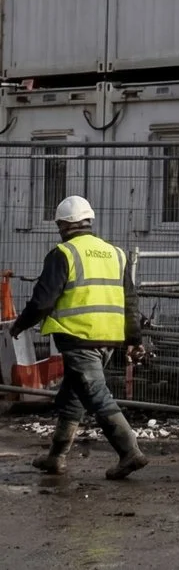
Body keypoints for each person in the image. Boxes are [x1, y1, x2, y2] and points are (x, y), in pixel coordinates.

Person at [9, 197, 148, 478]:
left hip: (78, 337)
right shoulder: (115, 253)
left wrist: (19, 325)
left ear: (62, 224)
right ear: (89, 221)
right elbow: (130, 301)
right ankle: (55, 457)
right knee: (74, 396)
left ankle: (129, 451)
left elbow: (43, 302)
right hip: (110, 338)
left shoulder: (63, 253)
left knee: (96, 395)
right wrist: (133, 339)